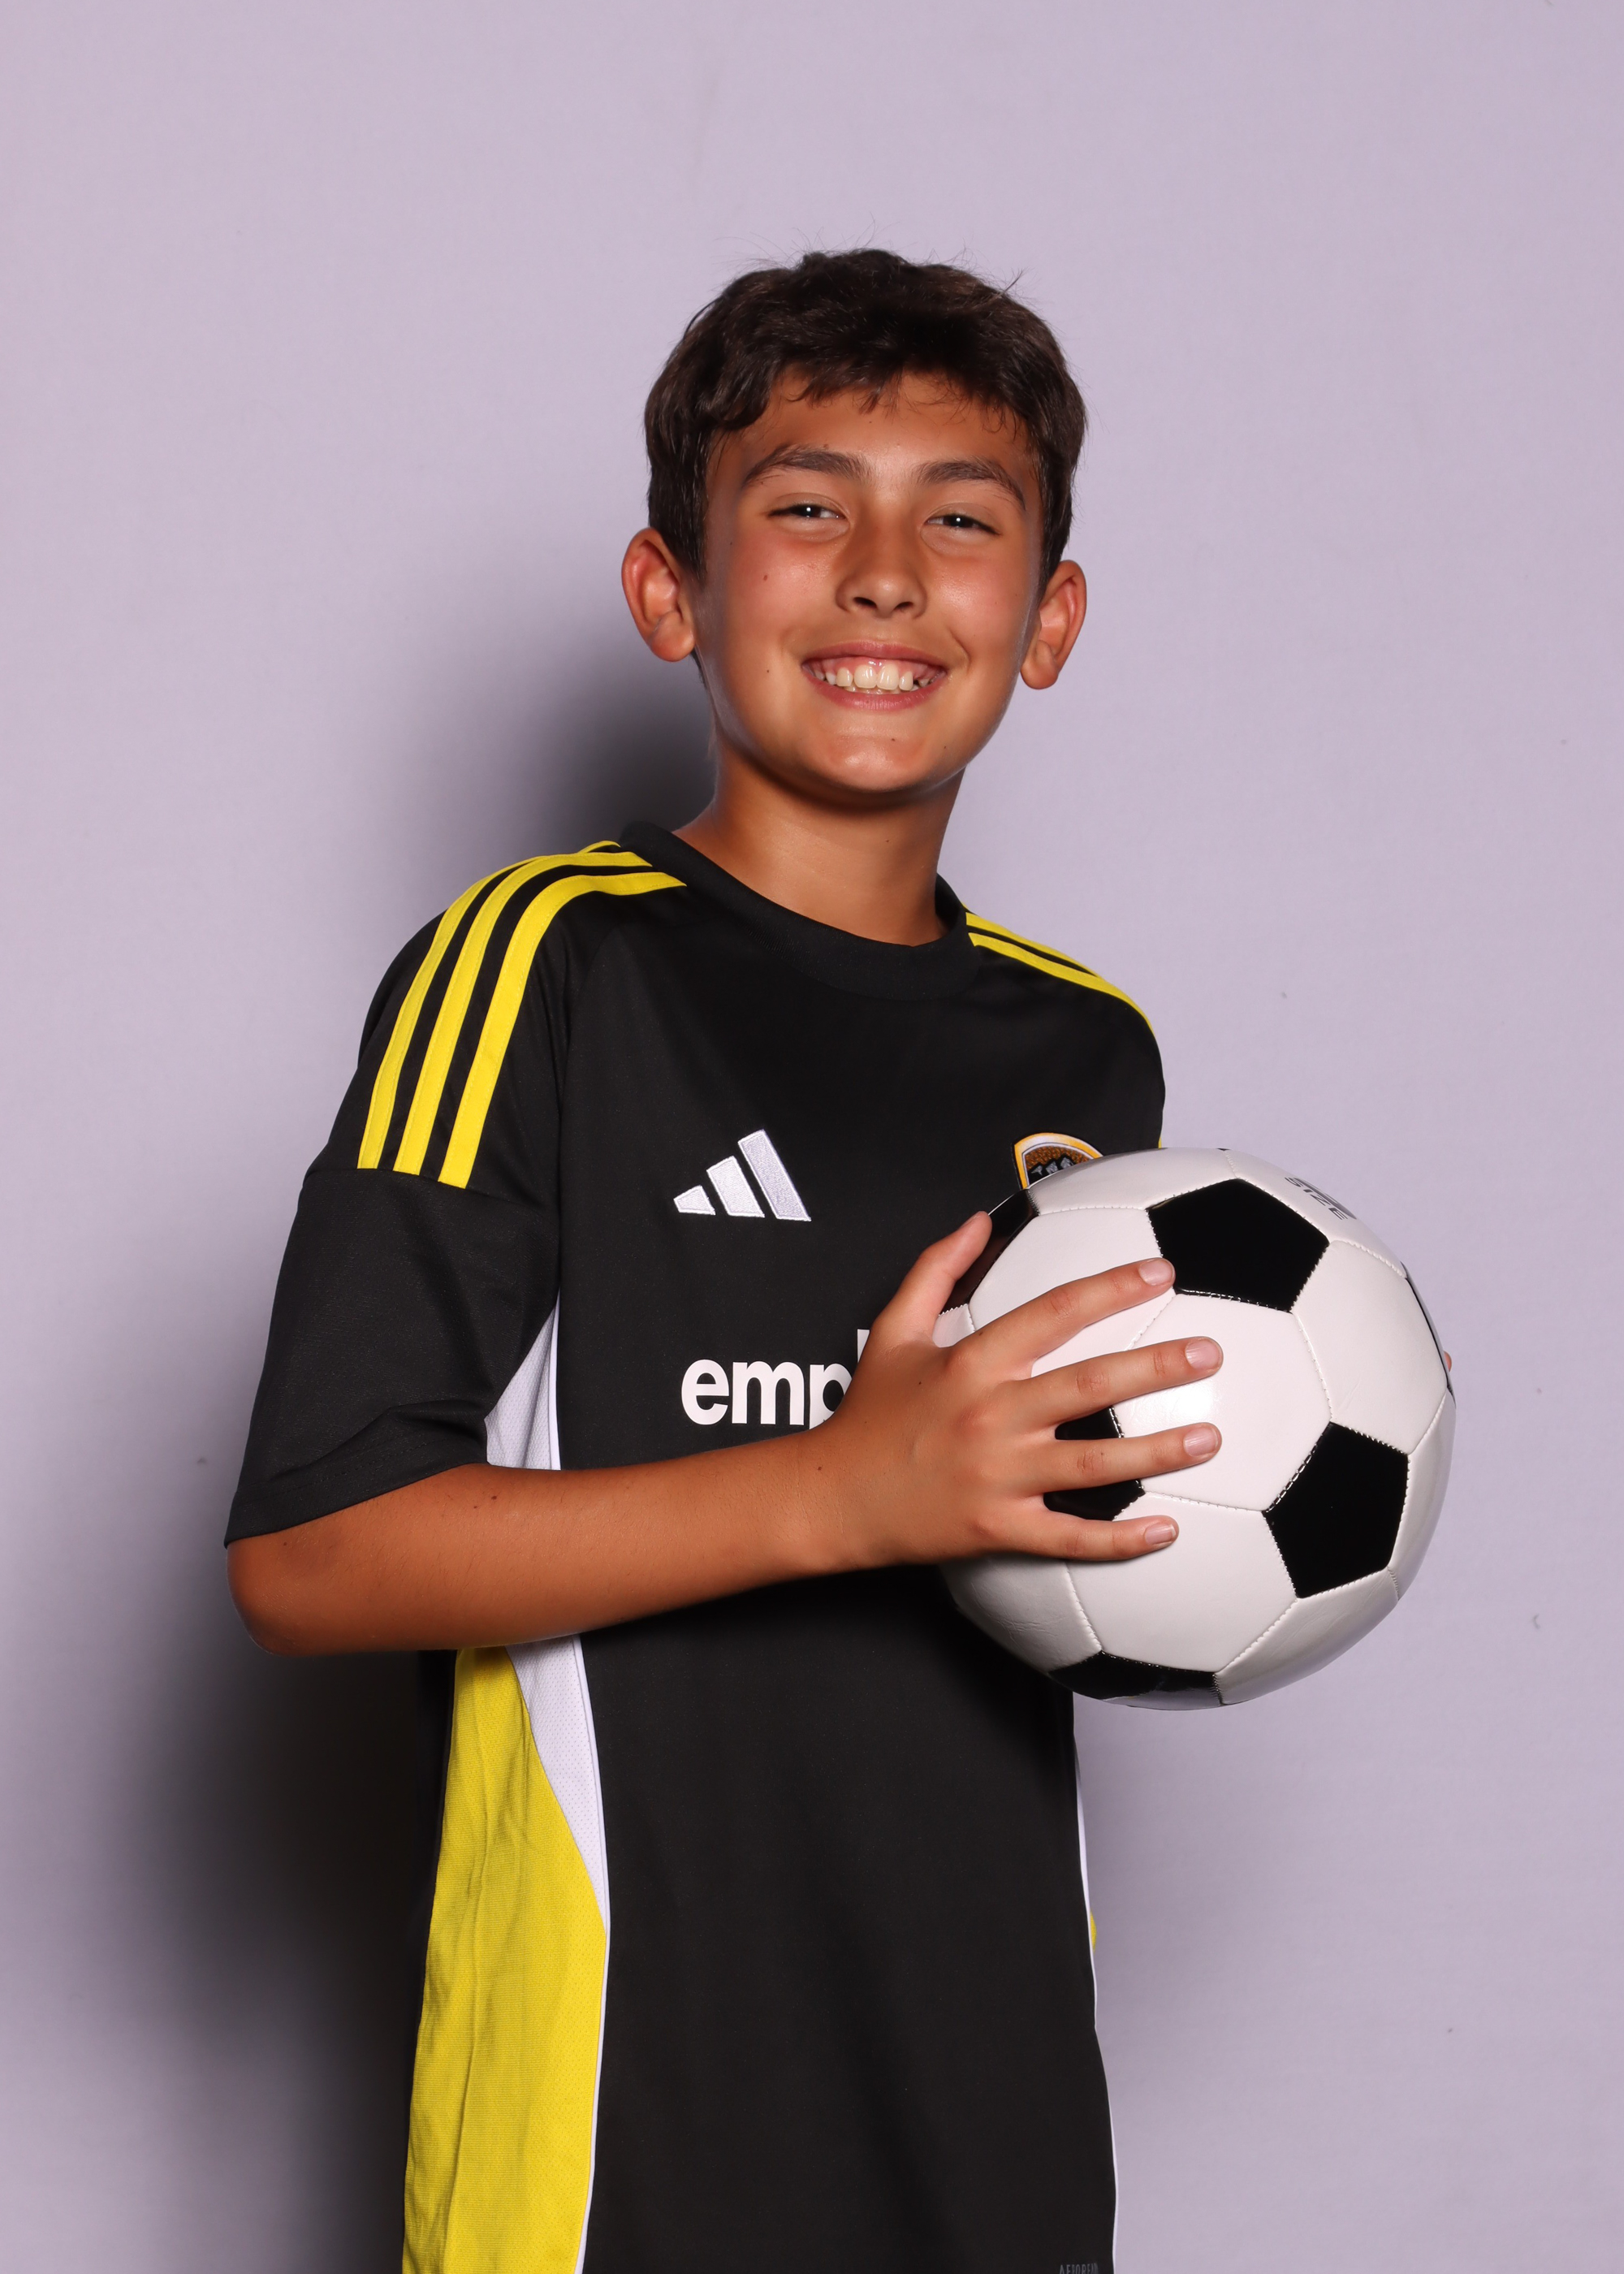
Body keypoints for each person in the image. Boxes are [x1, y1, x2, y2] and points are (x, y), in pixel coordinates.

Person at [227, 249, 1225, 2274]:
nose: (885, 573)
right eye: (805, 504)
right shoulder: (543, 967)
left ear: (1047, 619)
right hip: (624, 2127)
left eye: (962, 518)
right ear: (669, 588)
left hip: (992, 2119)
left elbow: (1072, 1551)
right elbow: (313, 1548)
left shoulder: (1085, 1050)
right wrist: (846, 1488)